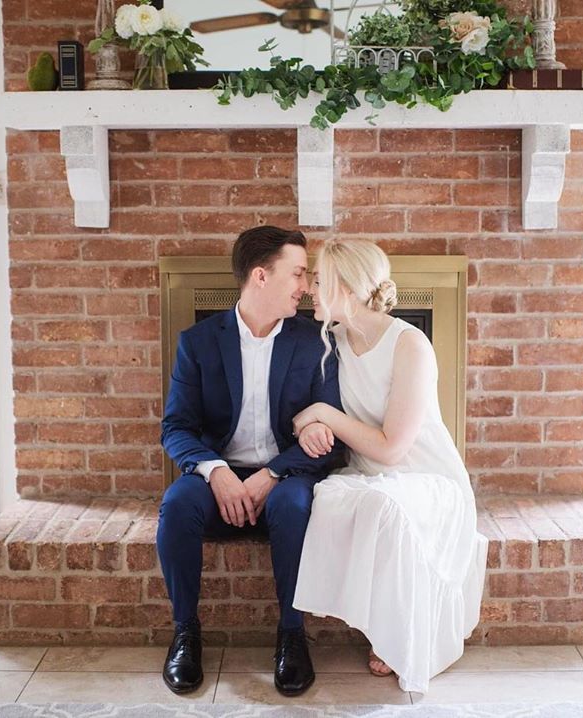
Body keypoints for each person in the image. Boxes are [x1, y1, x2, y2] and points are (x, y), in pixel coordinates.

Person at [291, 238, 488, 694]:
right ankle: (381, 626)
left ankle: (401, 638)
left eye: (319, 281)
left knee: (385, 506)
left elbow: (393, 448)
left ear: (348, 288)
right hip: (367, 474)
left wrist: (323, 414)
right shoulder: (330, 341)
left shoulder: (409, 344)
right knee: (332, 499)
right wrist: (311, 424)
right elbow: (305, 409)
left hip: (425, 476)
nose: (309, 290)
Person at [157, 226, 344, 696]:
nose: (306, 287)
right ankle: (185, 633)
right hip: (217, 472)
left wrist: (274, 472)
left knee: (292, 505)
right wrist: (215, 471)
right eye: (297, 273)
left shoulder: (315, 342)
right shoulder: (198, 342)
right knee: (177, 505)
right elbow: (176, 427)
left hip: (287, 473)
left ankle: (292, 635)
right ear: (261, 276)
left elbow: (333, 436)